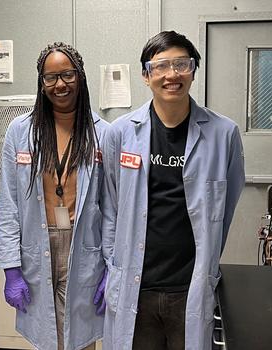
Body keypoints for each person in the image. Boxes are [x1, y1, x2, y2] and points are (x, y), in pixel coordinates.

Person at [100, 31, 245, 350]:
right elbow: (110, 205)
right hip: (135, 287)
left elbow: (228, 204)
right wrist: (112, 264)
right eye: (161, 66)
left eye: (181, 64)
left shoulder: (224, 133)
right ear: (145, 74)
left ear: (193, 70)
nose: (172, 75)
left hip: (189, 286)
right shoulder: (121, 133)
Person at [0, 42, 110, 350]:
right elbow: (9, 204)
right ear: (41, 83)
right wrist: (11, 269)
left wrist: (111, 266)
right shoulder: (20, 132)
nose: (60, 84)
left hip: (84, 246)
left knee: (80, 340)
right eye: (50, 77)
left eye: (67, 74)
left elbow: (112, 209)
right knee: (46, 338)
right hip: (38, 244)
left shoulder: (104, 133)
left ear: (80, 76)